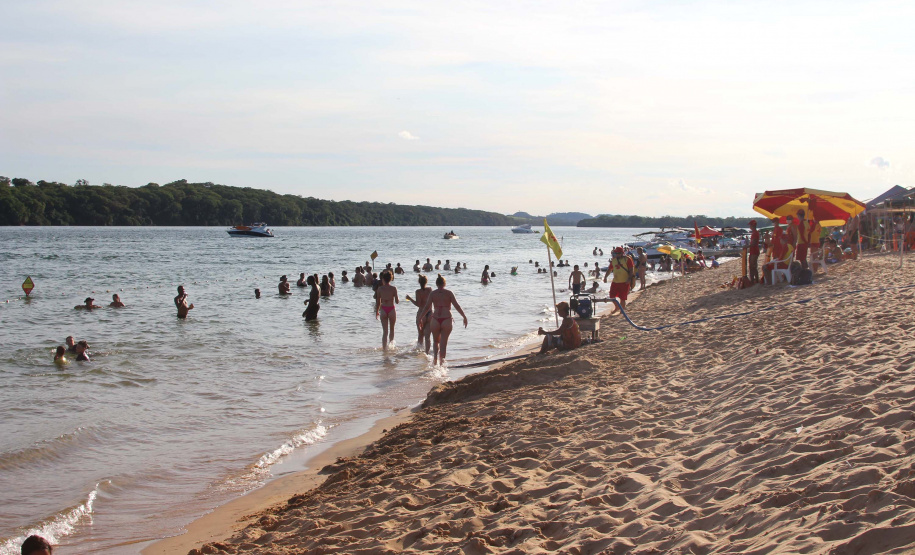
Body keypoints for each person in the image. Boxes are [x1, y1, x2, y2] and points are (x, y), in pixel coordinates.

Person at [417, 274, 468, 366]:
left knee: (435, 341)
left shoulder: (433, 294)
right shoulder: (449, 293)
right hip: (447, 319)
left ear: (436, 284)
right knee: (443, 344)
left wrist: (420, 318)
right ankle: (442, 364)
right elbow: (457, 306)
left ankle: (435, 360)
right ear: (444, 284)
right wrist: (464, 316)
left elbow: (426, 307)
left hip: (435, 319)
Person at [406, 275, 433, 353]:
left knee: (420, 335)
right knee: (427, 337)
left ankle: (419, 353)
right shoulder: (430, 289)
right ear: (426, 282)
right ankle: (427, 353)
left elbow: (418, 304)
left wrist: (410, 298)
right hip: (430, 313)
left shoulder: (418, 291)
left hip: (421, 313)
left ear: (419, 282)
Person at [603, 247, 634, 315]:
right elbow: (609, 269)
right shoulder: (614, 260)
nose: (615, 255)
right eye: (615, 253)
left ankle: (622, 311)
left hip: (624, 282)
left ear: (621, 253)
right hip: (615, 281)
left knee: (622, 298)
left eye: (617, 253)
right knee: (612, 296)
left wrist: (629, 279)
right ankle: (617, 307)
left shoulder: (627, 259)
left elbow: (631, 269)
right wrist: (605, 277)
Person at [374, 271, 400, 350]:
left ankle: (385, 349)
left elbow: (378, 302)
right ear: (390, 279)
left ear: (383, 279)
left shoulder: (380, 289)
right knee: (392, 330)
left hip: (384, 309)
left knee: (385, 332)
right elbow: (397, 301)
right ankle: (391, 347)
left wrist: (377, 312)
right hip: (391, 309)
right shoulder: (393, 288)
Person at [748, 219, 760, 284]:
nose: (749, 227)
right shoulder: (754, 233)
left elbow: (754, 243)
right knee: (751, 266)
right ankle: (753, 279)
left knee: (753, 266)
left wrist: (747, 246)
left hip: (754, 251)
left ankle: (755, 280)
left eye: (750, 225)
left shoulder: (755, 233)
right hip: (753, 251)